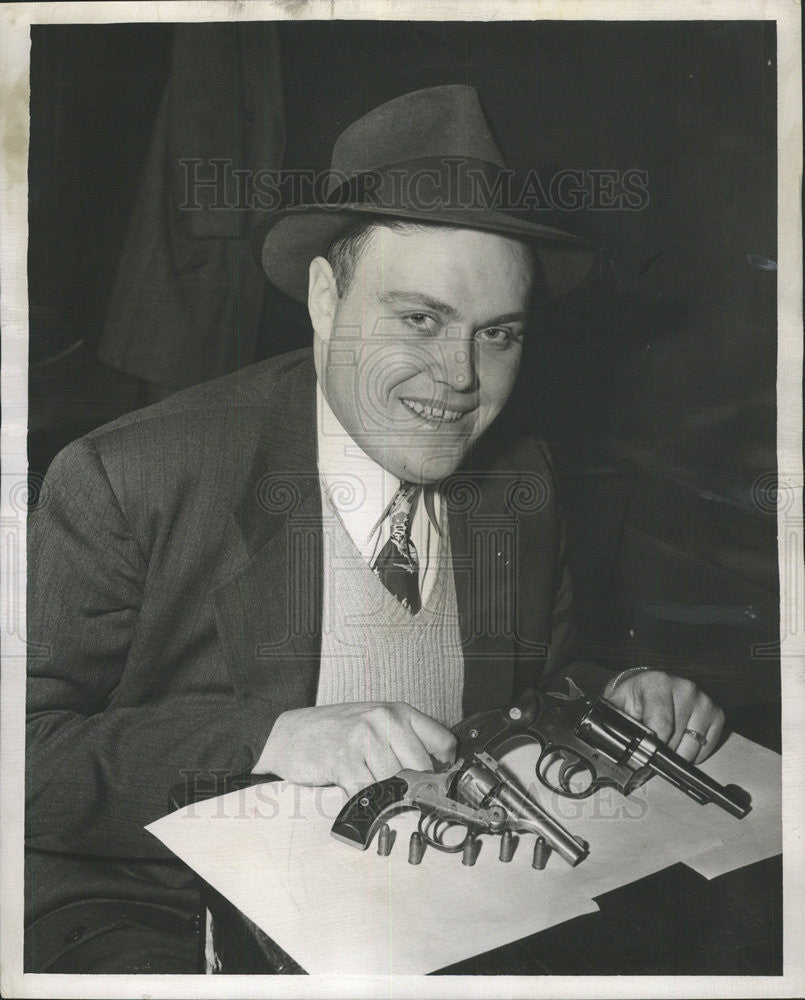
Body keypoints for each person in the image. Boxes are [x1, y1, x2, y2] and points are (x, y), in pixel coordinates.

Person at [25, 85, 725, 973]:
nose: (459, 377)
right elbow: (26, 757)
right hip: (174, 919)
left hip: (434, 911)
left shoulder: (519, 477)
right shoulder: (128, 478)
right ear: (326, 298)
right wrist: (272, 740)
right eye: (419, 319)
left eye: (498, 333)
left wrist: (619, 695)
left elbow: (529, 685)